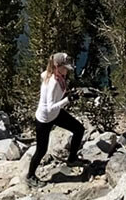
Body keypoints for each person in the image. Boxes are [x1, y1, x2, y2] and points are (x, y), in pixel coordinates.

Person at [26, 52, 85, 187]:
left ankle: (72, 159)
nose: (67, 70)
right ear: (57, 66)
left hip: (55, 114)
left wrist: (69, 95)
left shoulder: (53, 75)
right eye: (65, 67)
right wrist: (67, 100)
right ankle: (30, 176)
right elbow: (49, 108)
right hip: (45, 119)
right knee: (41, 150)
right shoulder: (52, 83)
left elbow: (44, 77)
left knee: (79, 129)